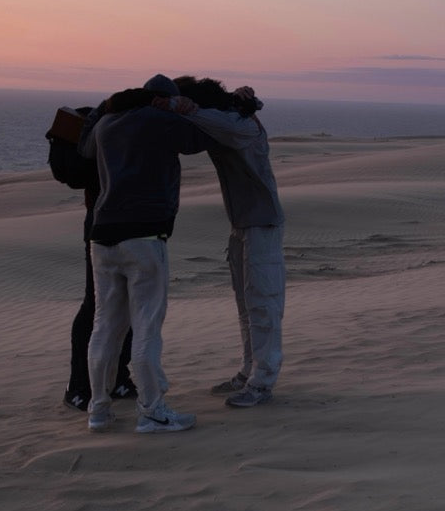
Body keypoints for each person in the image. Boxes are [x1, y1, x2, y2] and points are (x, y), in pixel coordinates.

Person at [76, 74, 215, 433]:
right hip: (144, 235)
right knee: (147, 327)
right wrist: (185, 109)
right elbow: (201, 139)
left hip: (102, 236)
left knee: (105, 327)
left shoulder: (107, 122)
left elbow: (84, 148)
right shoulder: (160, 119)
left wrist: (104, 107)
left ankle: (98, 411)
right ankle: (152, 411)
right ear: (164, 98)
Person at [161, 76, 285, 408]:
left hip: (262, 223)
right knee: (246, 304)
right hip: (243, 223)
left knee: (262, 303)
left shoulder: (237, 124)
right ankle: (249, 372)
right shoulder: (227, 119)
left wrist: (184, 107)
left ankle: (263, 381)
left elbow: (218, 120)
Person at [46, 106, 136, 412]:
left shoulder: (126, 128)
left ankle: (118, 377)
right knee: (96, 305)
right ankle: (78, 386)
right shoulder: (110, 131)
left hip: (130, 226)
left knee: (127, 304)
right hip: (101, 225)